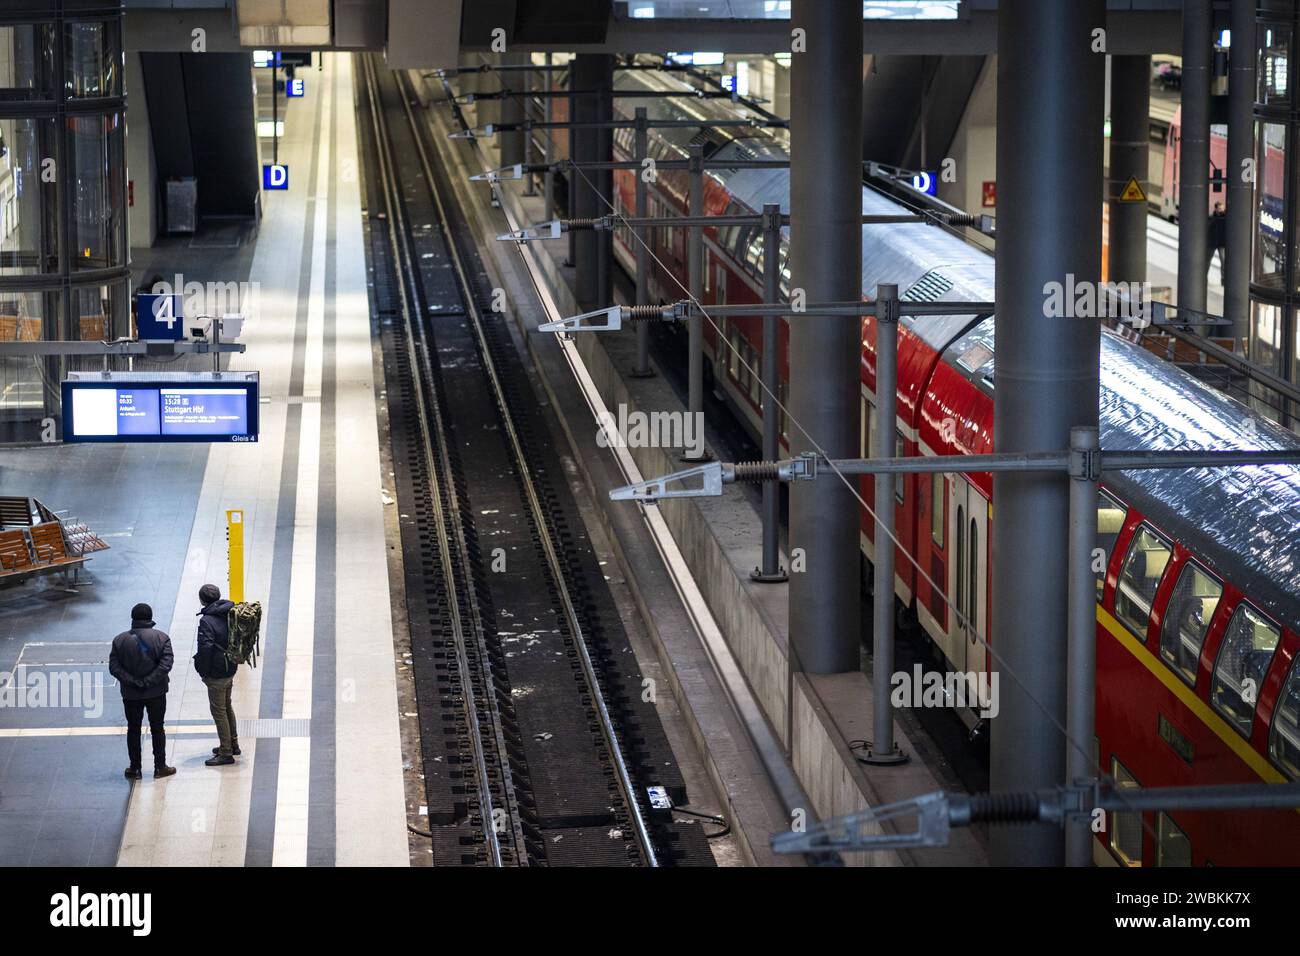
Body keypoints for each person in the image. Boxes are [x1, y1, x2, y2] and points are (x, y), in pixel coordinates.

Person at [108, 604, 176, 780]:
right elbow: (166, 664)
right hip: (156, 692)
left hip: (131, 694)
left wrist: (134, 682)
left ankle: (135, 768)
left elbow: (114, 667)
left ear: (133, 617)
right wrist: (149, 681)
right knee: (157, 728)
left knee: (133, 729)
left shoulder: (119, 640)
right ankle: (160, 767)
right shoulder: (162, 638)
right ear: (150, 617)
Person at [195, 583, 240, 766]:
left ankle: (226, 752)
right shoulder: (230, 611)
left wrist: (203, 670)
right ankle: (233, 743)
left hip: (217, 671)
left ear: (202, 600)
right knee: (227, 706)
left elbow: (205, 648)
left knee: (219, 711)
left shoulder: (207, 621)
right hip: (230, 666)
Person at [1208, 202, 1227, 279]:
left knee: (1224, 261)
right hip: (1212, 243)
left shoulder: (1226, 218)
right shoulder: (1212, 218)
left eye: (1222, 208)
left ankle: (1223, 279)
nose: (1221, 210)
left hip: (1221, 243)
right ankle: (1203, 277)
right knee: (1207, 260)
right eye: (1219, 209)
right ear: (1215, 209)